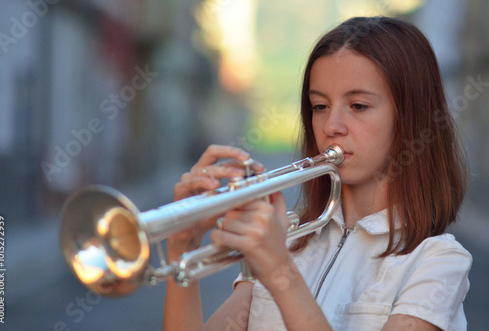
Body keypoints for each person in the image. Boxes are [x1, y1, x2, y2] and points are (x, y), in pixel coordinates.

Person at [163, 16, 472, 331]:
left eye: (358, 106)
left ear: (410, 117)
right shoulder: (289, 239)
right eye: (320, 106)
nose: (330, 126)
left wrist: (281, 273)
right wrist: (181, 247)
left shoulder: (437, 262)